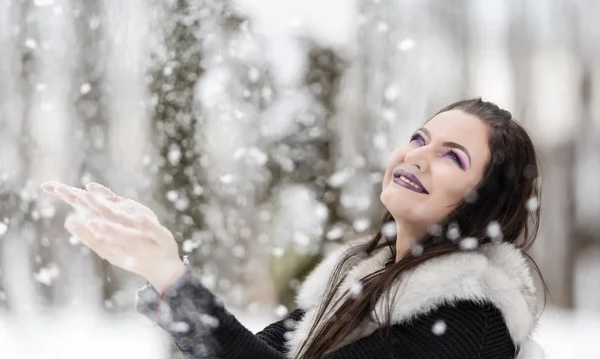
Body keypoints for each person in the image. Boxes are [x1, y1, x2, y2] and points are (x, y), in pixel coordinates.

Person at [42, 98, 546, 358]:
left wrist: (172, 279)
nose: (415, 156)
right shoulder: (361, 280)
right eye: (419, 137)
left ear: (486, 200)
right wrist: (162, 273)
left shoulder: (467, 324)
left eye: (451, 157)